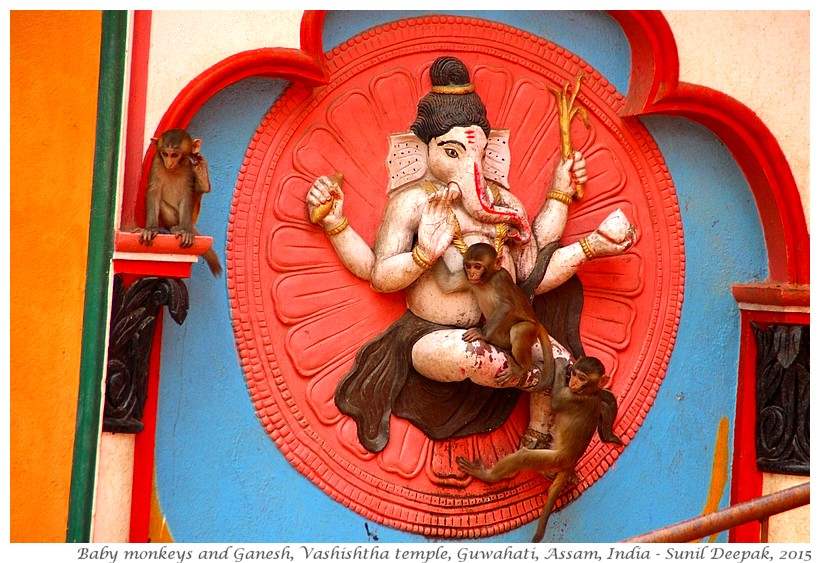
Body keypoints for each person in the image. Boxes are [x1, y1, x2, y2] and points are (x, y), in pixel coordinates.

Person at [305, 56, 634, 453]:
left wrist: (566, 207)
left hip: (505, 327)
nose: (469, 166)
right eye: (453, 152)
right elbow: (379, 274)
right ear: (421, 151)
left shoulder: (502, 202)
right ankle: (534, 380)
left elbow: (533, 271)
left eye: (476, 152)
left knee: (563, 362)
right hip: (433, 337)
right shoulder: (414, 203)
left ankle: (537, 437)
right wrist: (421, 255)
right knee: (480, 358)